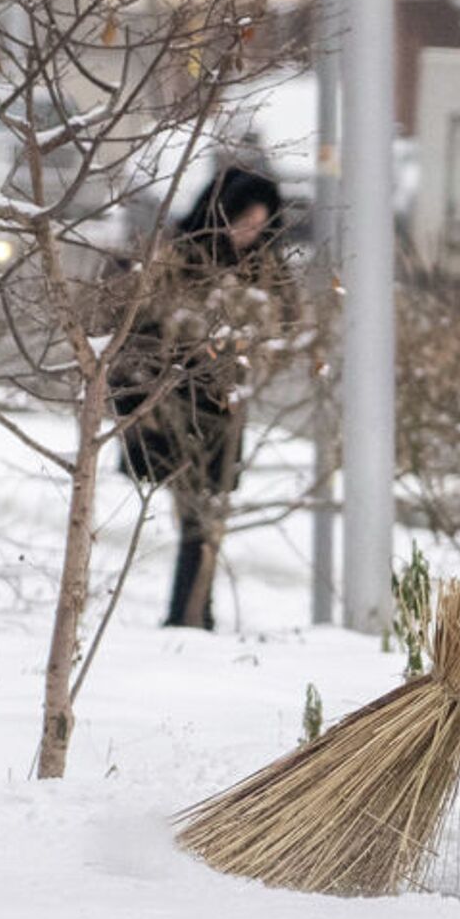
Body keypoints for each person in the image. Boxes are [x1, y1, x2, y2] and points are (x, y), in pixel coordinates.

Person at [110, 165, 296, 630]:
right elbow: (141, 322)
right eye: (244, 220)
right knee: (196, 514)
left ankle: (192, 613)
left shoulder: (266, 269)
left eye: (260, 223)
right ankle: (192, 613)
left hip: (224, 405)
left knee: (207, 517)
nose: (250, 232)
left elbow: (284, 329)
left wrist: (248, 363)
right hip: (173, 398)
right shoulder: (181, 257)